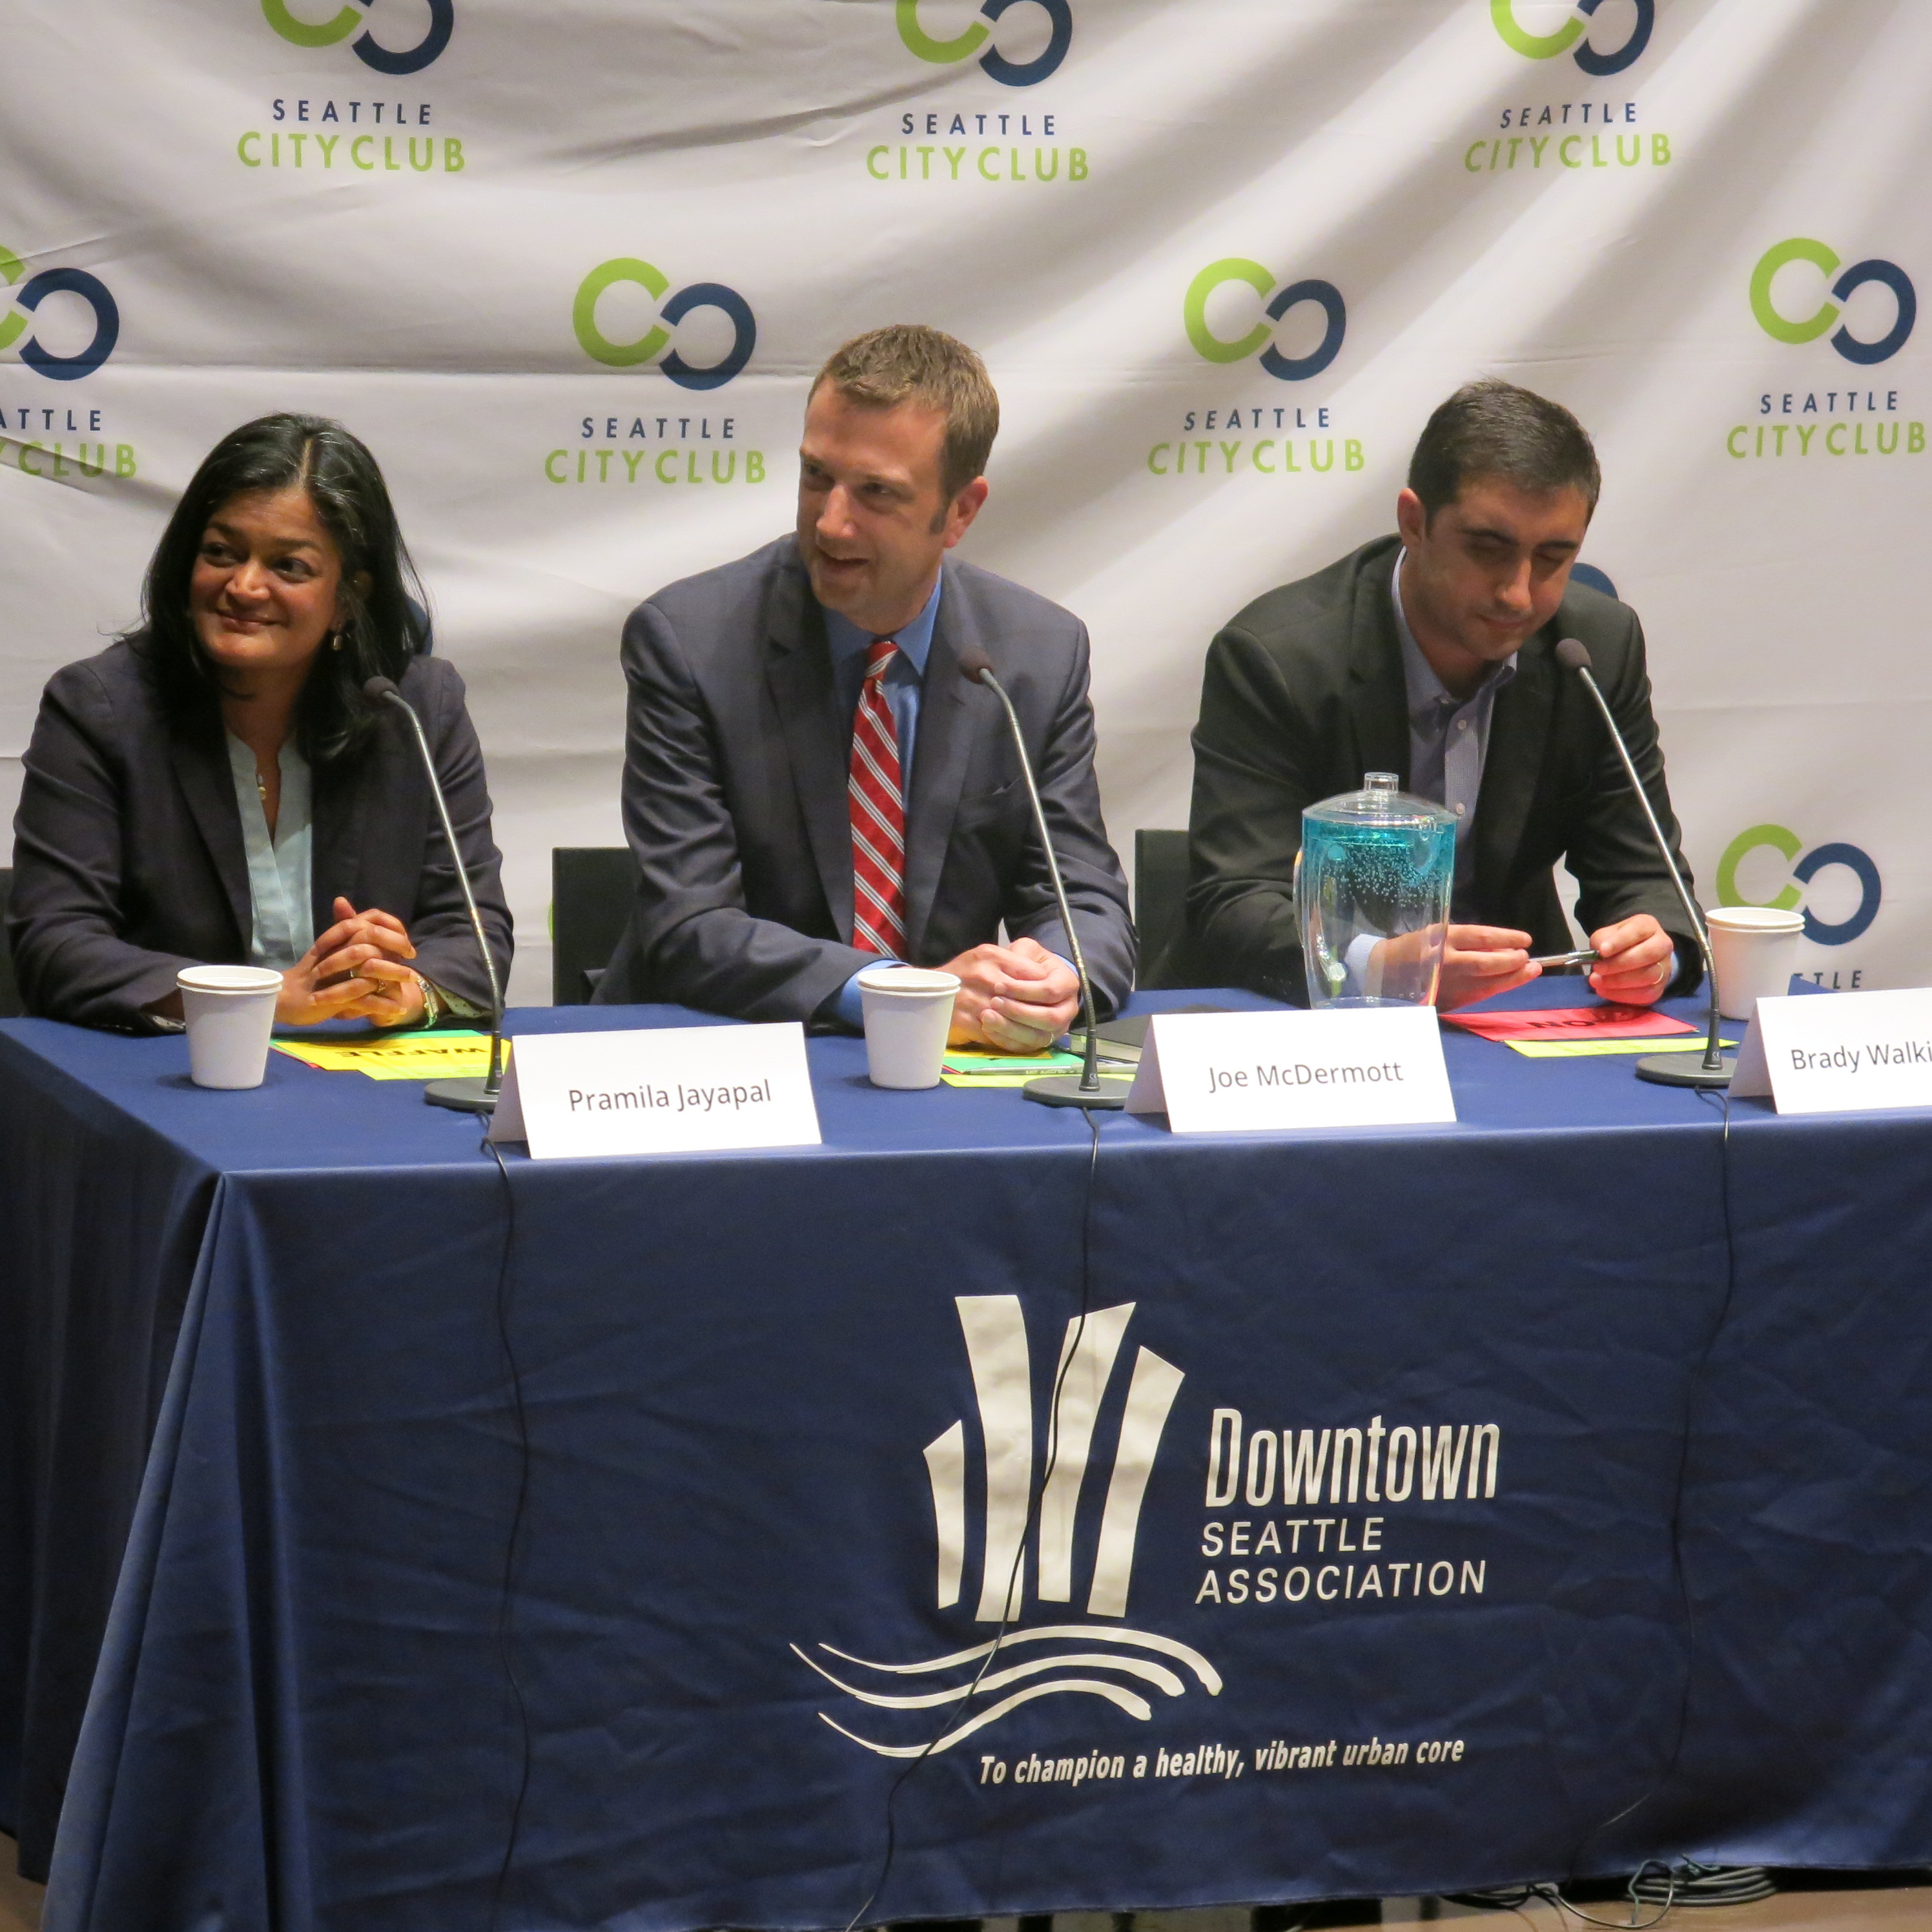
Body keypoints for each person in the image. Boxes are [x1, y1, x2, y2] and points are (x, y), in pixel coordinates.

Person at [594, 324, 1134, 1049]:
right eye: (817, 476)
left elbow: (1082, 898)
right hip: (730, 1061)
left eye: (876, 492)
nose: (830, 521)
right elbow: (690, 927)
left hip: (947, 1076)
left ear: (961, 511)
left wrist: (1057, 974)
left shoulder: (1034, 656)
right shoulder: (689, 643)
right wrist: (908, 993)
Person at [1184, 378, 1700, 1010]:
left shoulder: (1591, 650)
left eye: (1552, 558)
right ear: (1413, 522)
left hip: (1516, 1018)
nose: (1517, 592)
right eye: (1489, 549)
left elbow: (1645, 875)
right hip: (1322, 1029)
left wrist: (1656, 953)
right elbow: (1235, 901)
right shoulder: (1279, 658)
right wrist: (1382, 968)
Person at [9, 413, 511, 1033]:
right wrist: (256, 1001)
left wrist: (407, 989)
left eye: (288, 566)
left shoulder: (413, 709)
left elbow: (475, 937)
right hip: (158, 1082)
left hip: (355, 1078)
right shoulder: (102, 708)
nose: (245, 586)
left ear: (348, 599)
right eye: (221, 553)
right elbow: (55, 944)